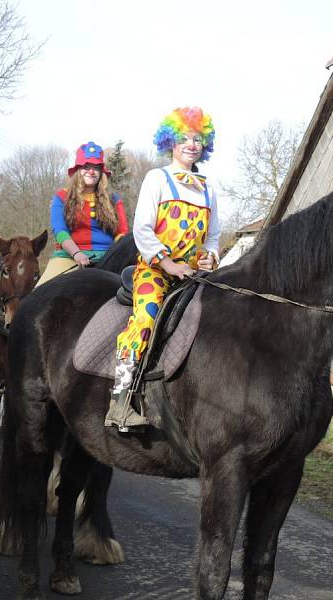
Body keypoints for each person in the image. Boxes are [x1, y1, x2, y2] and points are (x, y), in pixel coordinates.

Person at [105, 107, 220, 431]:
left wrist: (210, 257)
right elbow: (142, 229)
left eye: (198, 139)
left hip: (194, 276)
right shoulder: (158, 178)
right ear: (171, 142)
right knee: (145, 319)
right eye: (184, 138)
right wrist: (169, 263)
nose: (191, 144)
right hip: (155, 271)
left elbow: (212, 236)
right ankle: (121, 401)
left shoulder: (208, 188)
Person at [36, 141, 129, 286]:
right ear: (78, 170)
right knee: (38, 294)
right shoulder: (61, 197)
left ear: (101, 172)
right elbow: (60, 232)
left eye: (96, 167)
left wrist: (116, 256)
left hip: (108, 257)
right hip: (68, 256)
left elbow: (122, 233)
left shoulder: (114, 199)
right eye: (86, 166)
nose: (91, 171)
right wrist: (76, 253)